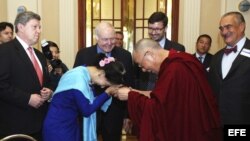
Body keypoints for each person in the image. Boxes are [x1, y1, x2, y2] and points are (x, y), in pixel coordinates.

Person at [115, 38, 222, 141]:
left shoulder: (174, 69)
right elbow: (161, 96)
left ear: (149, 54)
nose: (143, 69)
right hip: (195, 126)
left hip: (188, 130)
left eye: (140, 64)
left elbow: (158, 109)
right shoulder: (181, 59)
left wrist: (131, 96)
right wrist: (133, 91)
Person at [74, 22, 134, 141]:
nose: (109, 43)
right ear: (97, 38)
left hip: (115, 110)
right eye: (105, 39)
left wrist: (128, 115)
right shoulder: (83, 54)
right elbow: (77, 82)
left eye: (112, 39)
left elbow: (129, 84)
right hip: (89, 108)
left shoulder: (125, 55)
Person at [43, 54, 126, 141]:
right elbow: (87, 110)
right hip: (58, 128)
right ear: (101, 73)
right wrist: (107, 92)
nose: (102, 87)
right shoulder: (78, 78)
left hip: (71, 124)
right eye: (105, 84)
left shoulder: (83, 73)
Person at [0, 11, 53, 140]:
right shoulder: (5, 51)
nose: (39, 31)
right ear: (21, 27)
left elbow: (45, 82)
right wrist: (27, 98)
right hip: (15, 125)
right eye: (34, 27)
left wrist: (49, 92)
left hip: (40, 123)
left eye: (39, 27)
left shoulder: (39, 55)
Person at [208, 11, 250, 126]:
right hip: (217, 124)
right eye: (221, 29)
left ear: (241, 26)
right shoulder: (216, 57)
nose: (224, 32)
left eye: (228, 27)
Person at [135, 11, 185, 91]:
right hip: (144, 94)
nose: (153, 32)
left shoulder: (177, 49)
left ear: (165, 28)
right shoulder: (142, 46)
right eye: (150, 29)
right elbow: (137, 75)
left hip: (167, 94)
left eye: (157, 29)